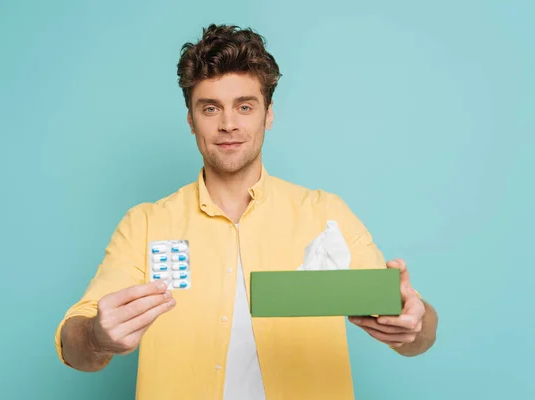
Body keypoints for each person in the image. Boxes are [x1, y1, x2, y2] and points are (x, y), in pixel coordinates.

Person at [55, 23, 438, 400]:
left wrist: (413, 323)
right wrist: (95, 337)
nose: (228, 124)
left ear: (267, 115)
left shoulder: (326, 214)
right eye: (210, 108)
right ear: (191, 120)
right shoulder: (145, 224)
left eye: (244, 106)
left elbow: (413, 330)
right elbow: (75, 346)